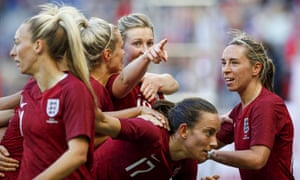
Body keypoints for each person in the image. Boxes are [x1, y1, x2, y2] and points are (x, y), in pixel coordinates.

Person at [9, 3, 96, 179]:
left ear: (38, 45)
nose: (12, 52)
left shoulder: (73, 90)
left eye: (17, 43)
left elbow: (78, 153)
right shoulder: (29, 90)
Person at [208, 29, 294, 180]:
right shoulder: (239, 110)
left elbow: (257, 159)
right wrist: (208, 124)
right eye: (223, 63)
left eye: (234, 63)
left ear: (256, 68)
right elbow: (207, 143)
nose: (226, 70)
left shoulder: (268, 105)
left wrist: (210, 155)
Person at [92, 97, 221, 179]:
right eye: (209, 133)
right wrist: (139, 110)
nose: (215, 142)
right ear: (184, 130)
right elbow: (98, 121)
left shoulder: (187, 162)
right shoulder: (150, 130)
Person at [106, 13, 179, 110]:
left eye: (149, 43)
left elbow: (174, 84)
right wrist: (147, 57)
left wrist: (158, 80)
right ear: (121, 46)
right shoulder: (113, 80)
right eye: (137, 43)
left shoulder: (147, 78)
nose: (145, 50)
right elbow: (125, 80)